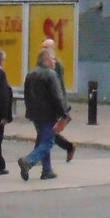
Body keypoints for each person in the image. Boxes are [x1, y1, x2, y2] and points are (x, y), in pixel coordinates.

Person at [17, 42, 71, 181]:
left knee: (43, 139)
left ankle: (47, 170)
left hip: (35, 114)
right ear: (46, 60)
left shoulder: (30, 74)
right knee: (48, 142)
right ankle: (29, 161)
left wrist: (29, 112)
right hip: (49, 114)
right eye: (52, 59)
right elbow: (57, 96)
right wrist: (64, 114)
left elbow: (27, 96)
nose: (54, 62)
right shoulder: (51, 75)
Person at [39, 38, 77, 163]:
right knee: (47, 131)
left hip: (54, 104)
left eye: (46, 47)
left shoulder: (56, 65)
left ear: (52, 49)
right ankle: (68, 147)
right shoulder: (44, 63)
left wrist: (61, 106)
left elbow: (58, 86)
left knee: (47, 131)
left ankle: (36, 158)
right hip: (46, 103)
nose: (43, 49)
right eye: (43, 47)